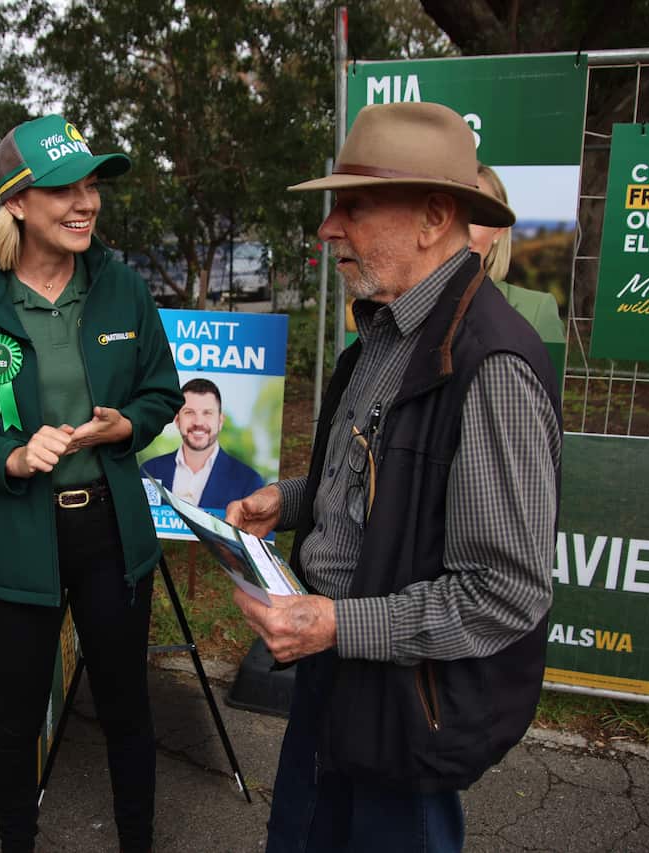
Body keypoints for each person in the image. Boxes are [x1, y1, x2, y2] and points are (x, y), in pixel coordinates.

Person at [226, 102, 562, 852]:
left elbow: (504, 591)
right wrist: (287, 500)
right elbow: (388, 493)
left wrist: (337, 622)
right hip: (332, 678)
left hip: (408, 709)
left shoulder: (491, 367)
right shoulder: (382, 334)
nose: (327, 228)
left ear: (434, 215)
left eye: (353, 205)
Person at [0, 114, 182, 853]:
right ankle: (16, 839)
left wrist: (123, 425)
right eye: (64, 188)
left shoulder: (123, 287)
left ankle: (138, 839)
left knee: (127, 702)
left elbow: (161, 391)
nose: (85, 203)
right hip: (19, 536)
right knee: (18, 706)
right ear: (17, 203)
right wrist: (7, 456)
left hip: (110, 530)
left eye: (91, 186)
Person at [468, 163, 566, 344]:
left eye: (474, 216)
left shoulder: (534, 313)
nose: (460, 231)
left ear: (498, 231)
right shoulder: (404, 308)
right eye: (447, 213)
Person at [142, 377, 264, 508]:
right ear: (177, 420)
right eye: (189, 412)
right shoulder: (150, 471)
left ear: (220, 421)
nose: (198, 422)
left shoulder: (248, 482)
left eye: (207, 413)